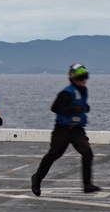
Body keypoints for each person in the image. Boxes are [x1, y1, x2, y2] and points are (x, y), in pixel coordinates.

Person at [31, 64, 101, 196]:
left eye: (85, 78)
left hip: (77, 130)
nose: (84, 80)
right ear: (73, 78)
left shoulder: (83, 91)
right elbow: (55, 108)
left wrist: (85, 108)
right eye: (81, 78)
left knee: (87, 152)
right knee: (53, 155)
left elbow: (83, 106)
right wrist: (73, 109)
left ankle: (87, 184)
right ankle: (37, 179)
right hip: (62, 130)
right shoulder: (66, 93)